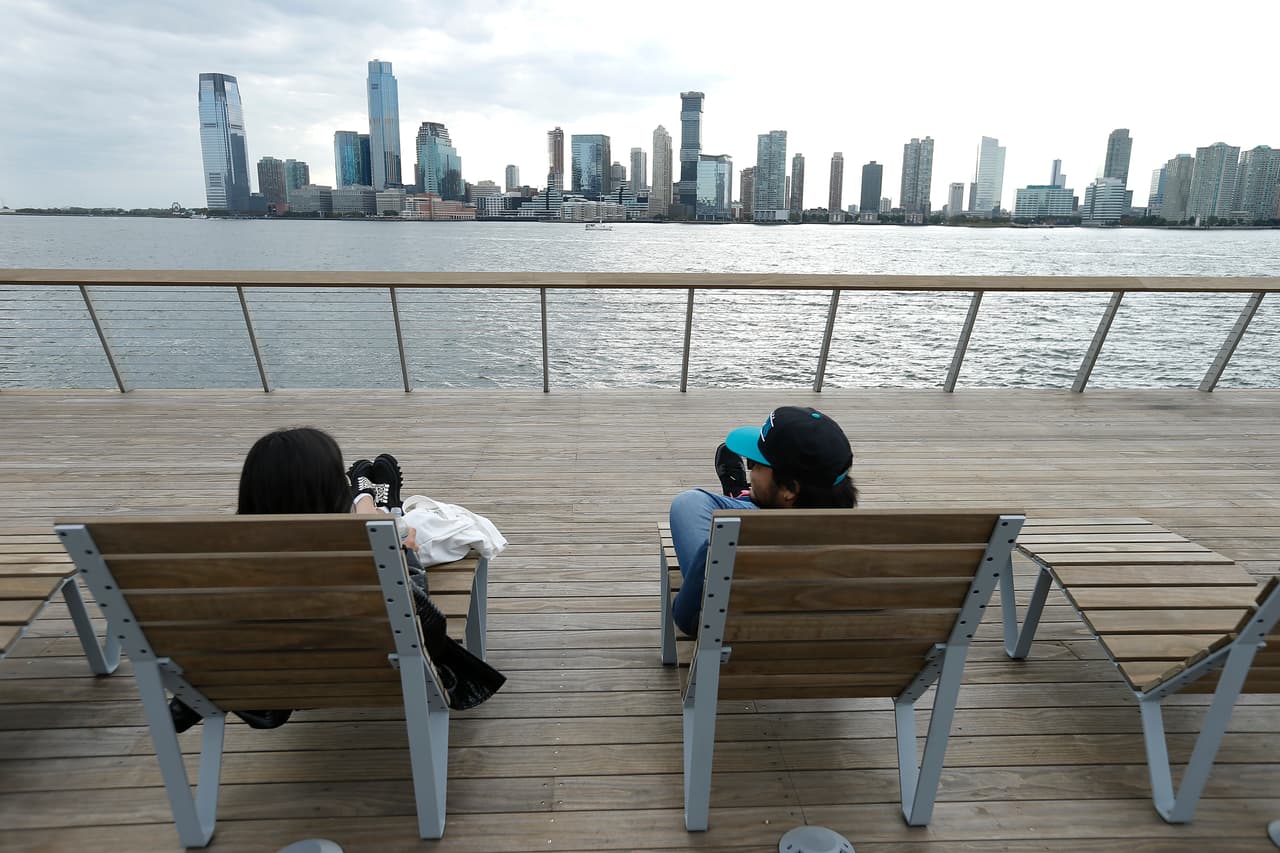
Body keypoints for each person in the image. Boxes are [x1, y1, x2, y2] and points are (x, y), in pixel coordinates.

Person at [169, 427, 504, 732]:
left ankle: (374, 501)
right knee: (413, 535)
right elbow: (424, 621)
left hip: (274, 678)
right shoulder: (362, 554)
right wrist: (407, 554)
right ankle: (380, 505)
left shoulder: (220, 564)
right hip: (375, 669)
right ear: (331, 491)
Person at [668, 406, 857, 636]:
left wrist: (709, 554)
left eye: (754, 464)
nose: (751, 471)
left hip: (731, 637)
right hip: (839, 645)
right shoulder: (876, 547)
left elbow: (686, 616)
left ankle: (740, 496)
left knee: (688, 503)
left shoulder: (729, 543)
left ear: (789, 489)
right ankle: (748, 498)